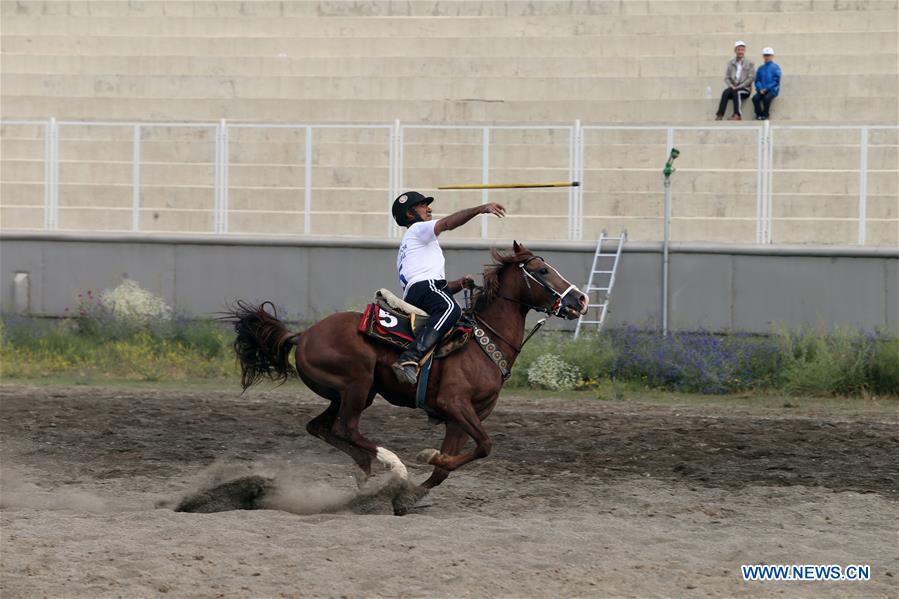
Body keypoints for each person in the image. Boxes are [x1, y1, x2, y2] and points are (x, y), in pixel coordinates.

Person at [390, 191, 506, 384]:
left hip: (420, 291)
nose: (429, 209)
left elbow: (437, 287)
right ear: (410, 214)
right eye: (422, 205)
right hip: (424, 289)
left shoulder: (412, 243)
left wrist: (459, 284)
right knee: (451, 309)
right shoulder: (418, 229)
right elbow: (446, 224)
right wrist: (480, 209)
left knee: (452, 318)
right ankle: (409, 358)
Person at [715, 41, 755, 121]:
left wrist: (738, 87)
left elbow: (751, 78)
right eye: (739, 49)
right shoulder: (731, 63)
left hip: (745, 88)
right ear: (735, 50)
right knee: (726, 92)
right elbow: (727, 77)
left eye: (742, 50)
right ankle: (720, 114)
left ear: (744, 51)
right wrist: (731, 86)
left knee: (737, 92)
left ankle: (737, 114)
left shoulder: (750, 63)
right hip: (734, 87)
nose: (740, 51)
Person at [752, 47, 781, 120]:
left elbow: (776, 80)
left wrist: (767, 89)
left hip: (772, 90)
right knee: (755, 98)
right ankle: (759, 114)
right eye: (765, 55)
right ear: (763, 56)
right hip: (761, 90)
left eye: (769, 55)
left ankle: (766, 114)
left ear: (772, 56)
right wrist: (760, 88)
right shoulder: (760, 68)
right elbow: (757, 80)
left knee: (767, 98)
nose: (767, 57)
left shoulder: (776, 67)